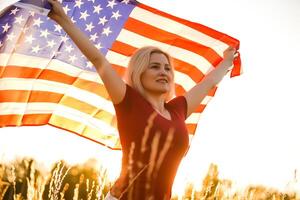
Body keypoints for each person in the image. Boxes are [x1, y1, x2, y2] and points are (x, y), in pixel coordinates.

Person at [47, 0, 236, 199]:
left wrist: (227, 61)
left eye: (167, 68)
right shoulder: (128, 101)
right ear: (140, 72)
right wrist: (62, 18)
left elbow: (208, 83)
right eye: (155, 67)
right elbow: (98, 59)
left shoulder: (178, 109)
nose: (163, 72)